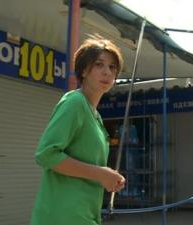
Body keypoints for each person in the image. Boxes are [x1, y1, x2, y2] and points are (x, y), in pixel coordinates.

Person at [30, 37, 126, 225]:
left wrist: (109, 177)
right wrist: (101, 174)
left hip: (85, 215)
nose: (107, 72)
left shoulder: (95, 115)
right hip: (62, 216)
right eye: (99, 64)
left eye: (112, 67)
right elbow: (46, 154)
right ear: (83, 70)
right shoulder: (74, 103)